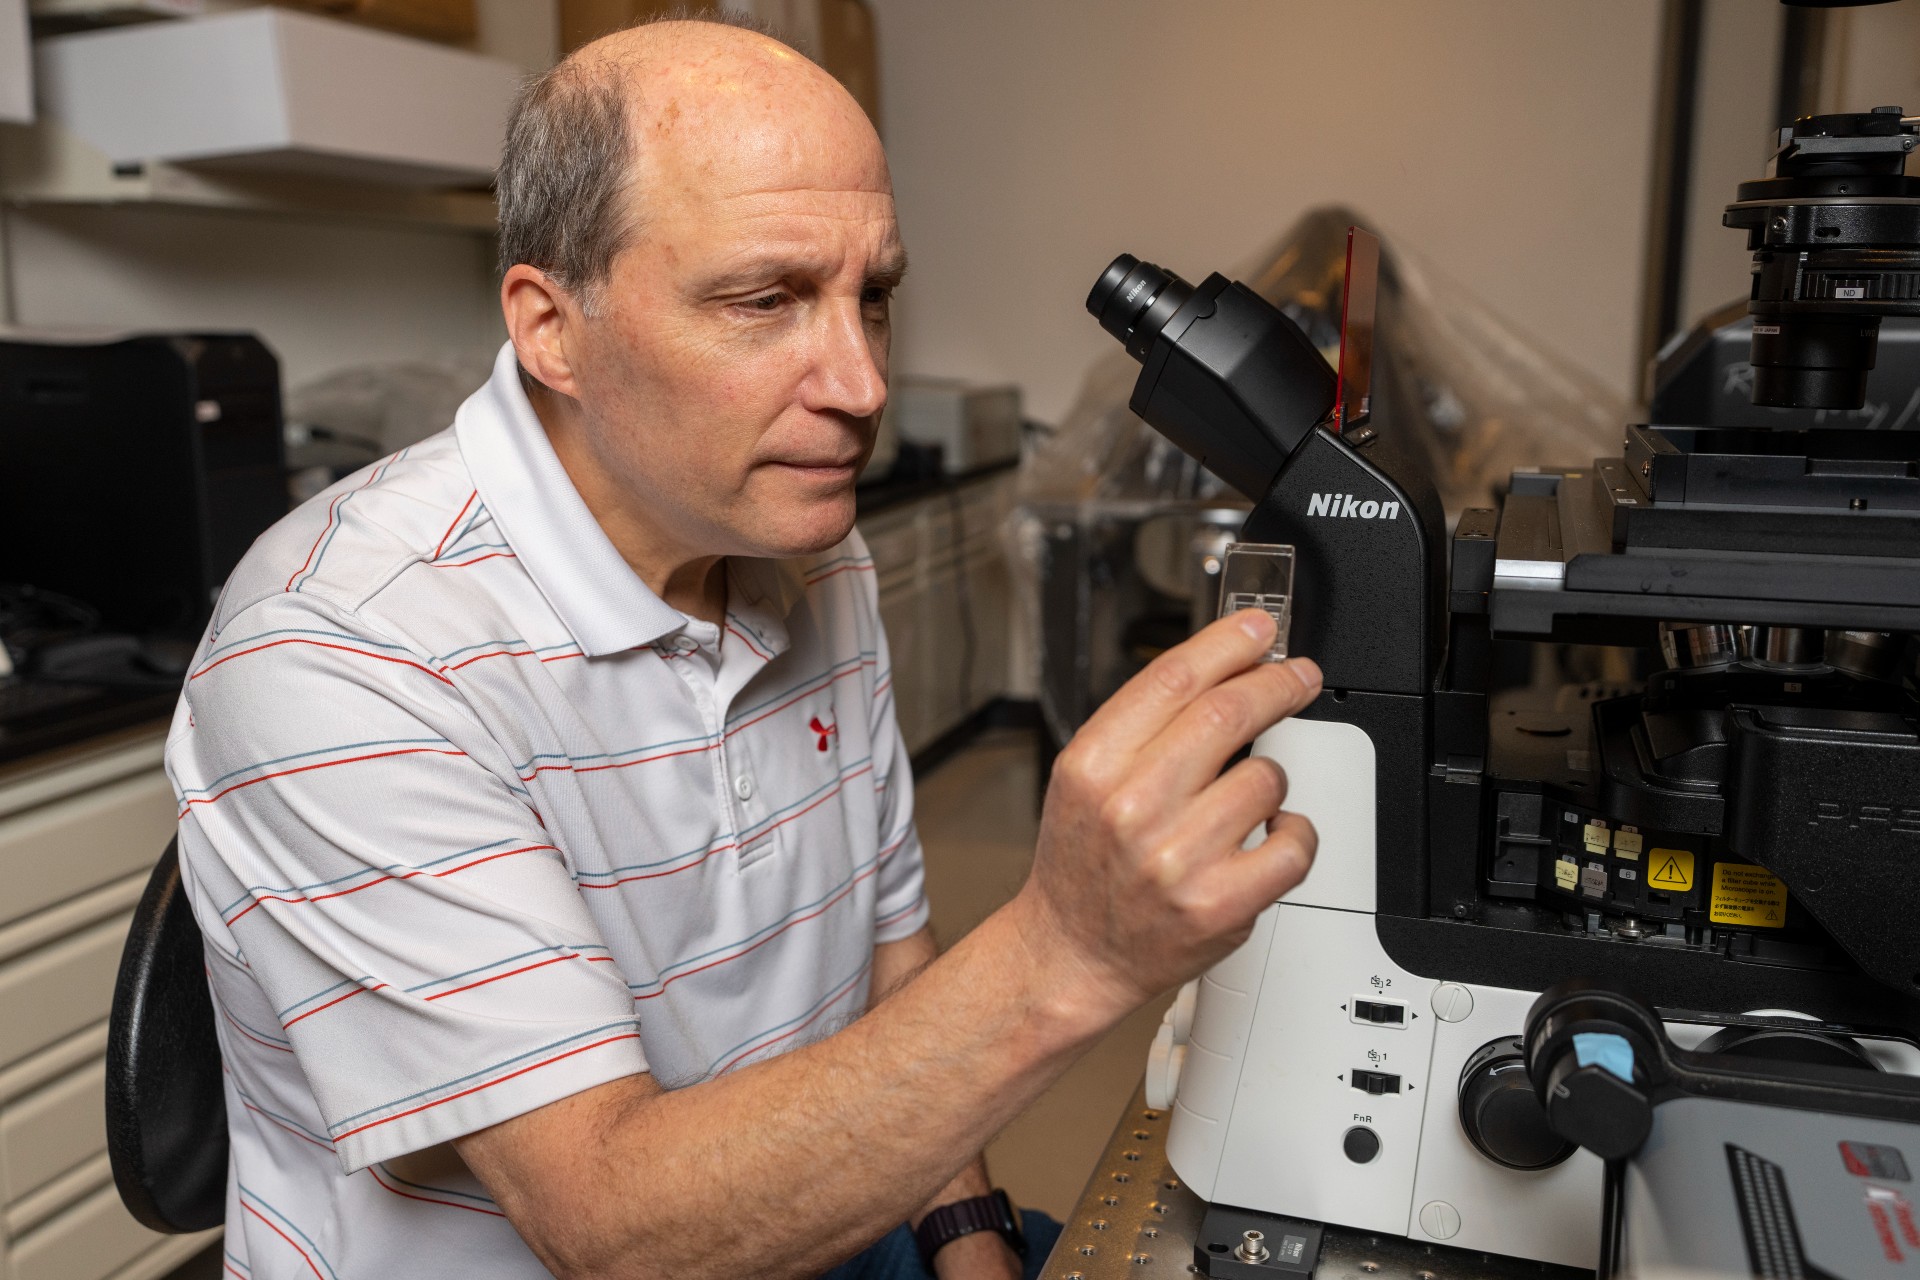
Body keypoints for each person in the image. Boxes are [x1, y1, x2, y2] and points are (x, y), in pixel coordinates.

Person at [165, 14, 1322, 1280]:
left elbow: (892, 969)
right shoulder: (344, 649)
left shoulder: (808, 550)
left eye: (869, 298)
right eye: (764, 300)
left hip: (824, 1222)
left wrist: (969, 1239)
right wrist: (1068, 950)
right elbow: (608, 1222)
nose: (862, 384)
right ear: (553, 327)